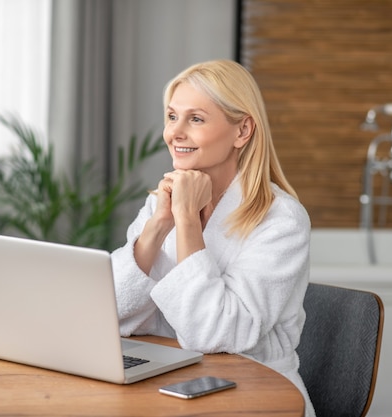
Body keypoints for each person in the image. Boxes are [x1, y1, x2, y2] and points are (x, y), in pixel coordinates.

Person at [110, 59, 315, 417]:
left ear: (242, 131)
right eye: (172, 117)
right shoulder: (159, 204)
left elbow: (216, 334)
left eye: (196, 119)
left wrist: (187, 220)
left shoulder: (281, 220)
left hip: (253, 395)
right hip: (169, 383)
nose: (176, 133)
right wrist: (158, 225)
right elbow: (112, 311)